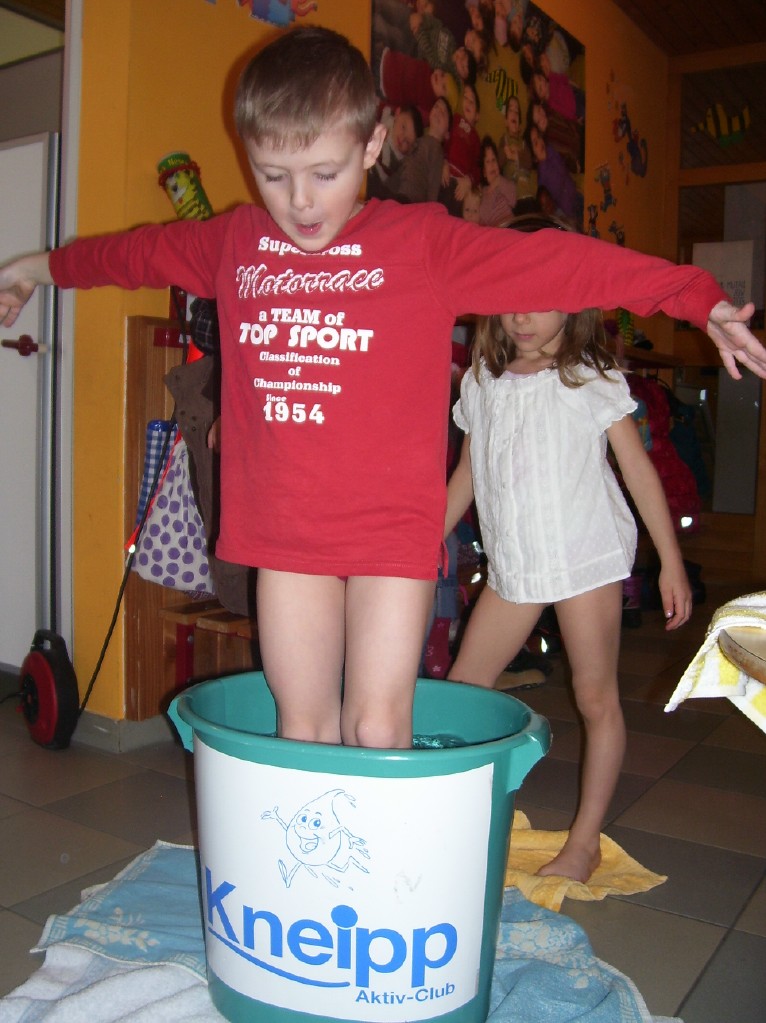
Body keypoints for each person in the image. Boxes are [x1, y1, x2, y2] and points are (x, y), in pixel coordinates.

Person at [1, 27, 764, 754]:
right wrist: (33, 269)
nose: (300, 202)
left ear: (370, 145)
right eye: (273, 175)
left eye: (324, 173)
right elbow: (132, 254)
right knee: (302, 727)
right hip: (286, 531)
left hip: (389, 535)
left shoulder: (420, 244)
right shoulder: (235, 242)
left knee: (375, 726)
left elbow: (560, 265)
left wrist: (697, 299)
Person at [443, 218, 694, 882]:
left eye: (540, 298)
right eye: (510, 298)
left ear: (573, 299)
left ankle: (584, 842)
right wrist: (424, 540)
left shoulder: (589, 377)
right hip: (515, 566)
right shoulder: (483, 380)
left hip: (585, 557)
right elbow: (469, 472)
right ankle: (456, 817)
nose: (522, 316)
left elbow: (637, 469)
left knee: (594, 695)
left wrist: (669, 560)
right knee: (463, 691)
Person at [477, 135, 517, 226]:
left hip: (512, 226)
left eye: (494, 160)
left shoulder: (504, 182)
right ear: (484, 172)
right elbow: (483, 217)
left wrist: (499, 181)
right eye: (488, 161)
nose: (492, 164)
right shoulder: (483, 192)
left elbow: (513, 199)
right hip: (496, 230)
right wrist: (492, 188)